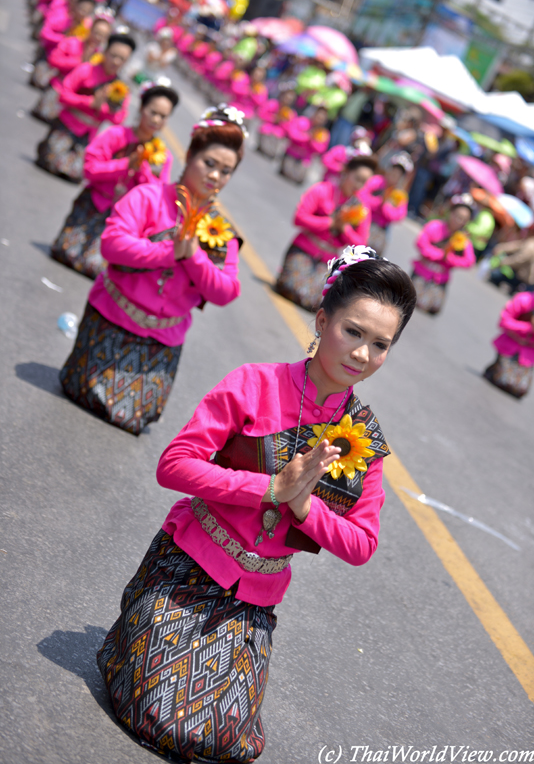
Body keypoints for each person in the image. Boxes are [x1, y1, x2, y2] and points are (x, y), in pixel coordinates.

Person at [96, 245, 417, 762]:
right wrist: (268, 488)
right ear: (321, 320)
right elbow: (173, 465)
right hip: (185, 569)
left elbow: (362, 544)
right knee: (162, 718)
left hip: (253, 602)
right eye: (353, 332)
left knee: (222, 741)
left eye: (380, 344)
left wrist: (304, 507)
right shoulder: (253, 383)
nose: (361, 354)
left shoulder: (367, 441)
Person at [59, 104, 247, 435]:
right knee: (82, 393)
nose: (216, 176)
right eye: (209, 163)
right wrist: (168, 250)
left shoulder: (221, 232)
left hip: (162, 340)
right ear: (189, 155)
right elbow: (112, 244)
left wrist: (193, 256)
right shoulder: (147, 196)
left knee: (131, 419)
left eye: (226, 171)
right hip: (111, 320)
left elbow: (225, 291)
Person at [50, 82, 179, 278]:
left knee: (94, 268)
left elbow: (157, 197)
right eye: (153, 112)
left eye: (163, 116)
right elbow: (89, 169)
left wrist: (142, 169)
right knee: (65, 253)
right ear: (142, 108)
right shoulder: (116, 135)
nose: (156, 119)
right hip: (95, 202)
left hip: (123, 221)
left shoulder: (162, 156)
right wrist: (126, 164)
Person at [276, 155, 376, 311]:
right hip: (305, 248)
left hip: (328, 260)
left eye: (363, 182)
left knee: (314, 303)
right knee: (291, 289)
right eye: (357, 178)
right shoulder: (322, 190)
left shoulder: (361, 209)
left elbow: (361, 243)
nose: (358, 185)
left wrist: (344, 228)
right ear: (346, 172)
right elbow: (299, 218)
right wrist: (329, 223)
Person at [35, 32, 136, 182]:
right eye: (113, 55)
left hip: (88, 135)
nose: (116, 61)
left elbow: (119, 117)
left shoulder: (120, 87)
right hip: (67, 124)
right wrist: (89, 103)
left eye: (122, 59)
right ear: (105, 52)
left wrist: (102, 109)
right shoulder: (86, 70)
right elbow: (63, 94)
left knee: (73, 175)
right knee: (50, 163)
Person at [31, 14, 113, 123]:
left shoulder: (100, 59)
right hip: (57, 89)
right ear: (91, 28)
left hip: (74, 104)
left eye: (103, 36)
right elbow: (53, 59)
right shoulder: (72, 42)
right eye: (97, 32)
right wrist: (78, 61)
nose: (98, 37)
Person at [411, 193, 476, 315]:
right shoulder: (435, 226)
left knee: (430, 310)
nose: (459, 221)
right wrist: (439, 254)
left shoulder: (462, 240)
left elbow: (469, 261)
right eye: (457, 216)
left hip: (440, 279)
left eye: (463, 219)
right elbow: (421, 243)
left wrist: (450, 259)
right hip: (422, 271)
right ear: (450, 213)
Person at [483, 290, 534, 398]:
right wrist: (528, 328)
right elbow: (504, 322)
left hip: (529, 355)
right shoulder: (523, 300)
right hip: (511, 345)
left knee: (519, 389)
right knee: (503, 381)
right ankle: (493, 370)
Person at [364, 152, 412, 256]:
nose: (394, 175)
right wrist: (378, 202)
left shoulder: (399, 194)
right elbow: (363, 196)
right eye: (393, 171)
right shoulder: (377, 181)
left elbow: (399, 215)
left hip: (381, 229)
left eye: (399, 174)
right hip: (366, 220)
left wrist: (386, 206)